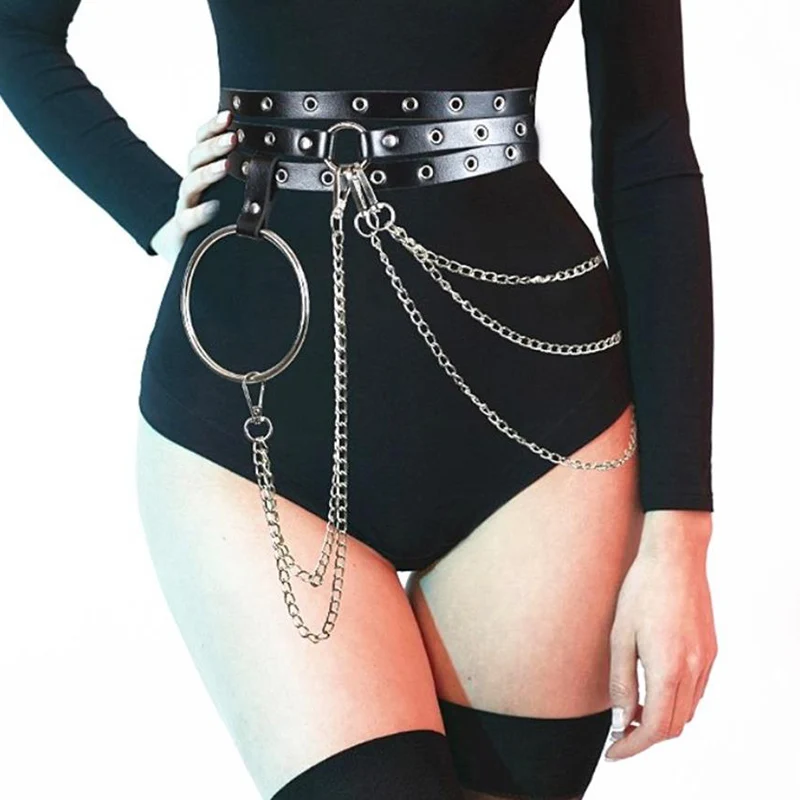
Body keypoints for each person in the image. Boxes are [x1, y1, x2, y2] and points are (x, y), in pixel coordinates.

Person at [0, 0, 718, 798]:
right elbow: (16, 28)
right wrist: (154, 207)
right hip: (252, 419)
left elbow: (647, 151)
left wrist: (680, 534)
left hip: (545, 432)